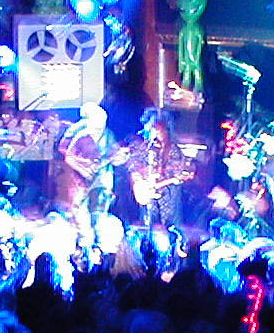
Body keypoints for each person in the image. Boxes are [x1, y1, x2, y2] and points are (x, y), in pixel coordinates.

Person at [55, 102, 125, 244]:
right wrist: (83, 167)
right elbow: (67, 154)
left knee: (99, 207)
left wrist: (118, 157)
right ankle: (84, 240)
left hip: (102, 178)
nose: (100, 128)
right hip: (79, 178)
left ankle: (100, 240)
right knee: (80, 210)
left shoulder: (108, 134)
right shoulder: (79, 133)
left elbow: (114, 153)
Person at [121, 108, 194, 231]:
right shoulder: (139, 145)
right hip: (145, 200)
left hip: (169, 201)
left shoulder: (174, 150)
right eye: (152, 129)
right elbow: (132, 166)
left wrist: (167, 180)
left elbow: (179, 174)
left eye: (159, 129)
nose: (155, 133)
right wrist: (139, 180)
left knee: (171, 230)